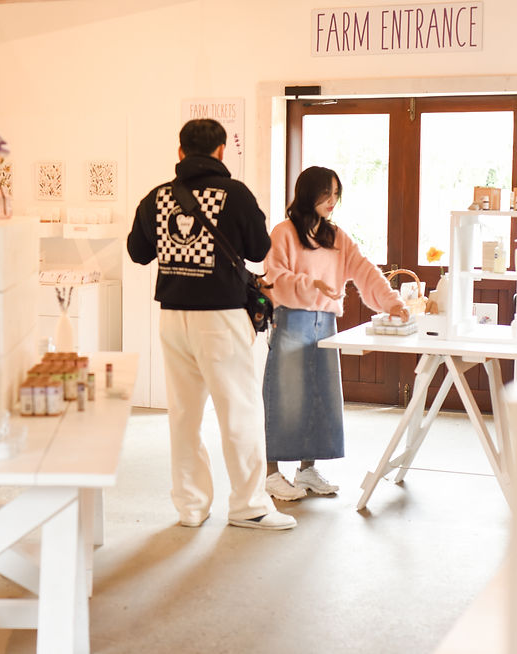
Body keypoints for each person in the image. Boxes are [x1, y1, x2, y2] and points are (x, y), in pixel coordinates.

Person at [126, 118, 296, 531]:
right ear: (222, 150)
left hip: (172, 317)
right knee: (238, 411)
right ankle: (248, 506)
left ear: (180, 152)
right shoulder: (234, 195)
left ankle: (190, 507)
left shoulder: (157, 197)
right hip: (220, 317)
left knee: (183, 414)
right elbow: (258, 249)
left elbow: (137, 252)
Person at [261, 166, 409, 501]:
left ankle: (307, 470)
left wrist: (393, 303)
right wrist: (308, 282)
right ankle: (271, 475)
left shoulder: (335, 236)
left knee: (320, 396)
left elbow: (365, 270)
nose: (332, 201)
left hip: (324, 322)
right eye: (326, 193)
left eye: (336, 194)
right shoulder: (283, 232)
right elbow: (273, 275)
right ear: (308, 193)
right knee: (283, 396)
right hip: (291, 319)